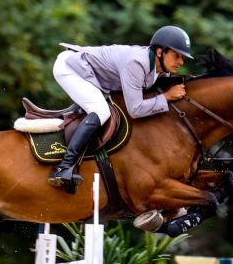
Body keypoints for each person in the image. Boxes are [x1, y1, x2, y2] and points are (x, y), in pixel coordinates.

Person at [48, 25, 193, 190]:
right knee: (101, 111)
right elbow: (136, 109)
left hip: (90, 73)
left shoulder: (159, 69)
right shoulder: (137, 63)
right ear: (160, 52)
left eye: (182, 57)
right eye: (177, 56)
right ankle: (63, 167)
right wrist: (166, 97)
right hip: (69, 68)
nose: (181, 62)